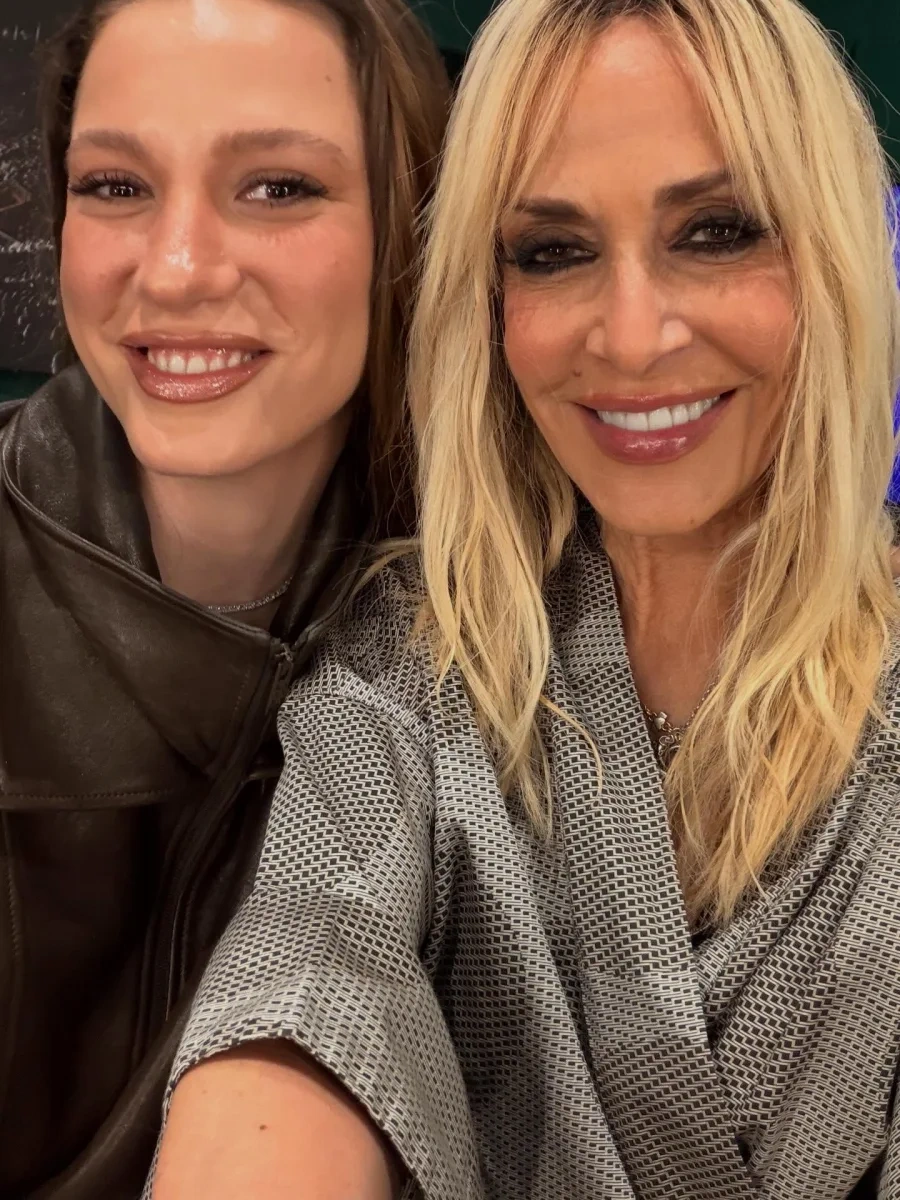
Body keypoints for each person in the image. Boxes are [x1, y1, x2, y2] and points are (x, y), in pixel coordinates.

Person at [149, 0, 900, 1196]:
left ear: (836, 258)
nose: (633, 338)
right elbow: (309, 970)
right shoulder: (409, 669)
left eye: (716, 232)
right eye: (553, 252)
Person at [0, 0, 447, 1195]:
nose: (178, 267)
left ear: (409, 225)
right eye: (115, 187)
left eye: (278, 187)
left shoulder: (497, 631)